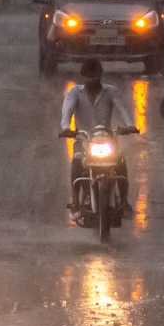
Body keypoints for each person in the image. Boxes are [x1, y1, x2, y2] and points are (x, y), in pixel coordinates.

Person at [57, 59, 135, 214]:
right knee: (77, 161)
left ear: (100, 75)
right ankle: (76, 203)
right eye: (88, 77)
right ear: (83, 77)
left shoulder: (111, 91)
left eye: (95, 76)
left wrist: (129, 125)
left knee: (120, 162)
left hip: (107, 138)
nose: (92, 80)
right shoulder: (74, 92)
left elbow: (122, 109)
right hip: (83, 138)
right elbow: (67, 112)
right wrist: (66, 128)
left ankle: (124, 202)